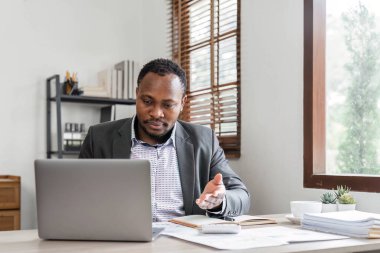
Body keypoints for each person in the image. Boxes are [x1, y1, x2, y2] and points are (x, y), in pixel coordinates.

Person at [79, 58, 250, 222]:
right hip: (120, 240)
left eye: (167, 105)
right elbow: (75, 196)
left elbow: (241, 196)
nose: (156, 113)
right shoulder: (98, 138)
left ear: (182, 103)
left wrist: (219, 200)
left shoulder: (204, 140)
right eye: (147, 101)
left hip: (183, 243)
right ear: (137, 94)